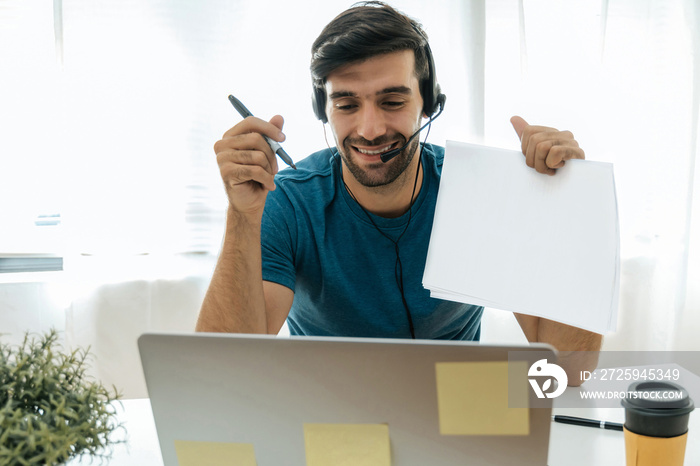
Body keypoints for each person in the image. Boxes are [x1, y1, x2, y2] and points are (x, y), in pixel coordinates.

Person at [196, 1, 601, 384]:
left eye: (391, 101)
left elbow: (572, 367)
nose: (370, 129)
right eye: (347, 104)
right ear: (324, 110)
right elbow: (225, 371)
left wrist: (567, 201)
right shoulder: (288, 202)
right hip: (329, 431)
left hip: (454, 424)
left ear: (429, 104)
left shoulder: (477, 193)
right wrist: (242, 215)